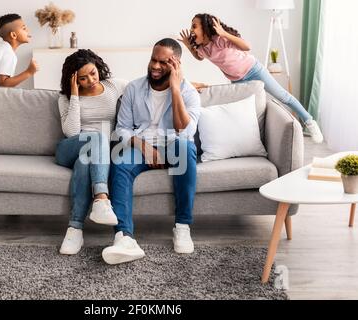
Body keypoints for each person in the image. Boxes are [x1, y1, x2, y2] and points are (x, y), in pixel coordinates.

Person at [102, 39, 201, 265]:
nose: (155, 66)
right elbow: (122, 128)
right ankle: (124, 236)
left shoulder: (189, 92)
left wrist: (176, 89)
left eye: (163, 62)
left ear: (176, 65)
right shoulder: (134, 88)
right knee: (119, 162)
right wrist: (142, 145)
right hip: (142, 145)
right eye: (153, 60)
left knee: (185, 148)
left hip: (174, 145)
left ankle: (182, 226)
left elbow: (184, 131)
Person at [179, 13, 324, 144]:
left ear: (205, 28)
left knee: (283, 96)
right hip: (237, 80)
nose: (191, 29)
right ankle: (254, 141)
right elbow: (199, 57)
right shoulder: (202, 48)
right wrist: (189, 46)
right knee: (247, 111)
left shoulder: (219, 40)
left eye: (194, 26)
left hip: (254, 70)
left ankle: (309, 121)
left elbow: (247, 46)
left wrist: (223, 33)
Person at [56, 49, 128, 255]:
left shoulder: (114, 86)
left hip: (94, 155)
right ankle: (102, 198)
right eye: (83, 78)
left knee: (85, 162)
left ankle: (75, 229)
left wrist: (182, 86)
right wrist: (76, 95)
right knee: (96, 137)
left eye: (93, 73)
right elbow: (71, 132)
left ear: (98, 67)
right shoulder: (65, 98)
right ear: (74, 79)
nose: (91, 80)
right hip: (69, 149)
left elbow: (144, 88)